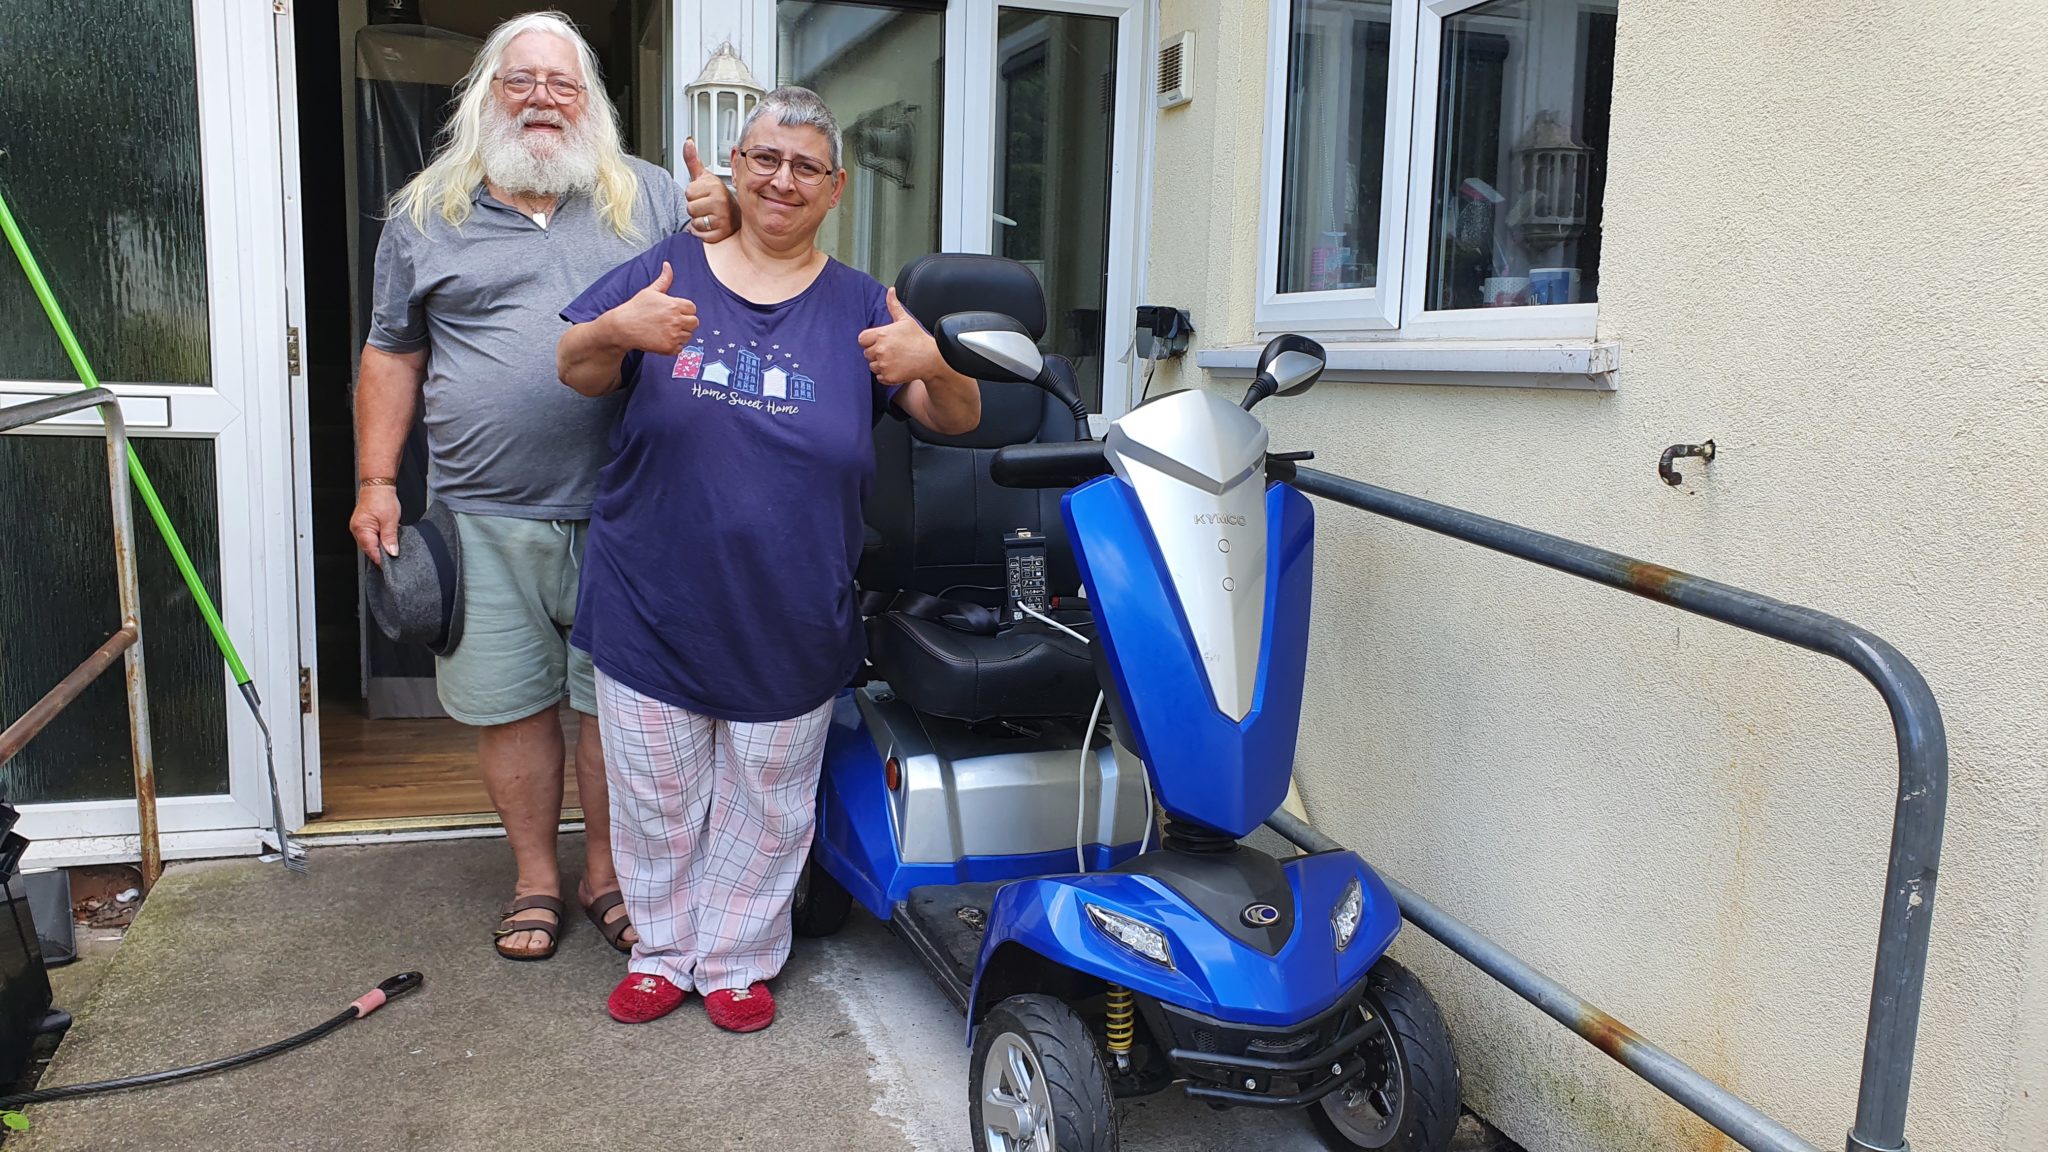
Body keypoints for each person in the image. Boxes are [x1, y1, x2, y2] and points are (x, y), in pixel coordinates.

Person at [555, 86, 981, 1030]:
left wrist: (937, 360)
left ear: (835, 191)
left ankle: (741, 959)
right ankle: (664, 952)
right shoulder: (670, 267)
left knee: (768, 801)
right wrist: (614, 331)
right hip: (651, 598)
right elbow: (576, 369)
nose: (781, 180)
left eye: (805, 168)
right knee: (657, 799)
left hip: (792, 608)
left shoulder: (868, 307)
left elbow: (955, 421)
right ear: (735, 169)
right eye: (763, 159)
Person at [349, 11, 738, 962]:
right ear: (486, 97)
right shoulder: (425, 213)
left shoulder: (646, 197)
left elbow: (729, 294)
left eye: (562, 84)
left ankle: (608, 874)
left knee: (619, 711)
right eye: (519, 81)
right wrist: (375, 481)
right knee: (510, 706)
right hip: (483, 510)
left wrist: (723, 222)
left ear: (592, 103)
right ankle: (535, 878)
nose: (540, 100)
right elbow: (392, 352)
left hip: (630, 508)